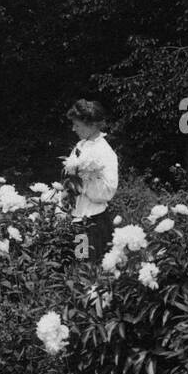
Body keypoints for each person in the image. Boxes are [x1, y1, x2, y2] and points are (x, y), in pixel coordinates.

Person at [62, 99, 118, 263]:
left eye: (77, 125)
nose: (73, 129)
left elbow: (108, 191)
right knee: (80, 264)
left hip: (94, 222)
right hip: (79, 219)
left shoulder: (105, 151)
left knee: (92, 268)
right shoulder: (81, 146)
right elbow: (71, 178)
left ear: (92, 125)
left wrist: (83, 182)